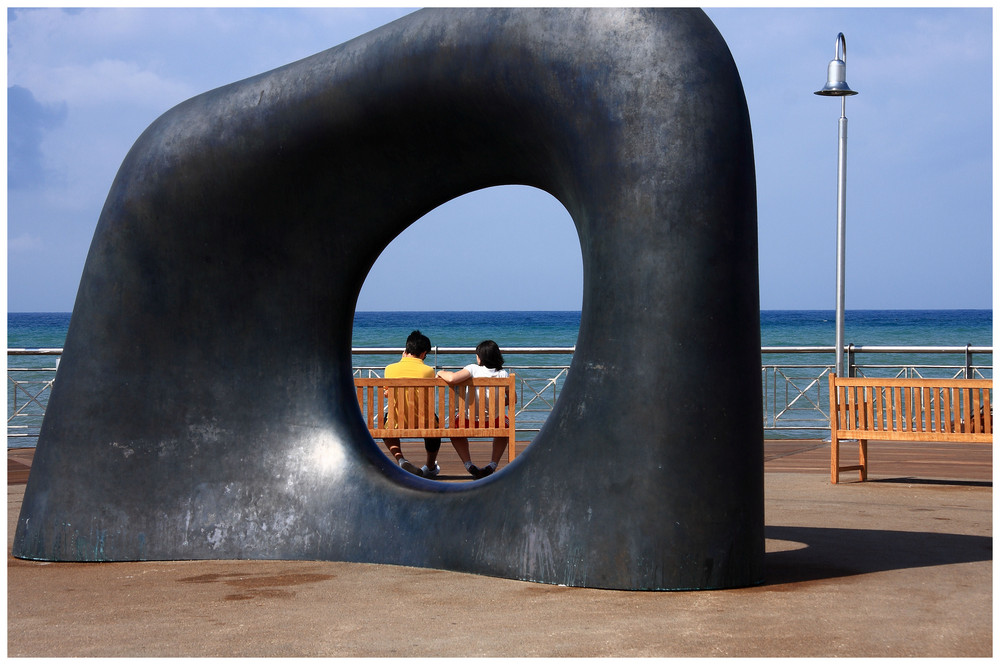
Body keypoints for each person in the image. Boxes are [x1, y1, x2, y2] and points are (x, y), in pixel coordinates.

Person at [435, 340, 514, 479]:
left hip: (467, 421)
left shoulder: (473, 369)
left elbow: (452, 378)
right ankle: (493, 465)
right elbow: (513, 399)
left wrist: (441, 372)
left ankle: (468, 464)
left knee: (453, 428)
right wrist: (497, 403)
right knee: (506, 426)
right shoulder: (504, 374)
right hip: (495, 422)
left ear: (480, 357)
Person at [382, 330, 441, 478]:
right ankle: (430, 466)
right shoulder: (428, 371)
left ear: (406, 350)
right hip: (424, 422)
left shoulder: (389, 369)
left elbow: (387, 393)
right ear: (423, 354)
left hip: (395, 422)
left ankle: (401, 459)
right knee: (434, 423)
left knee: (386, 421)